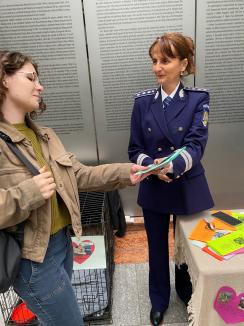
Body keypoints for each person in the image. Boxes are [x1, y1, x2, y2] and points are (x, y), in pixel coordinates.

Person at [0, 50, 150, 326]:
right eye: (30, 77)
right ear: (4, 80)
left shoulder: (44, 134)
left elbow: (78, 175)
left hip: (62, 245)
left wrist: (125, 172)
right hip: (34, 261)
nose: (40, 86)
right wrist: (29, 193)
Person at [128, 32, 214, 325]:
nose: (157, 67)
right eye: (154, 61)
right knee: (155, 245)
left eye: (165, 60)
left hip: (185, 182)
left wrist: (170, 166)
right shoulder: (142, 103)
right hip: (154, 184)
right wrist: (151, 166)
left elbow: (196, 144)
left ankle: (187, 291)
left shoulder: (197, 99)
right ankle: (158, 300)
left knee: (187, 244)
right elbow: (135, 149)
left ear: (184, 63)